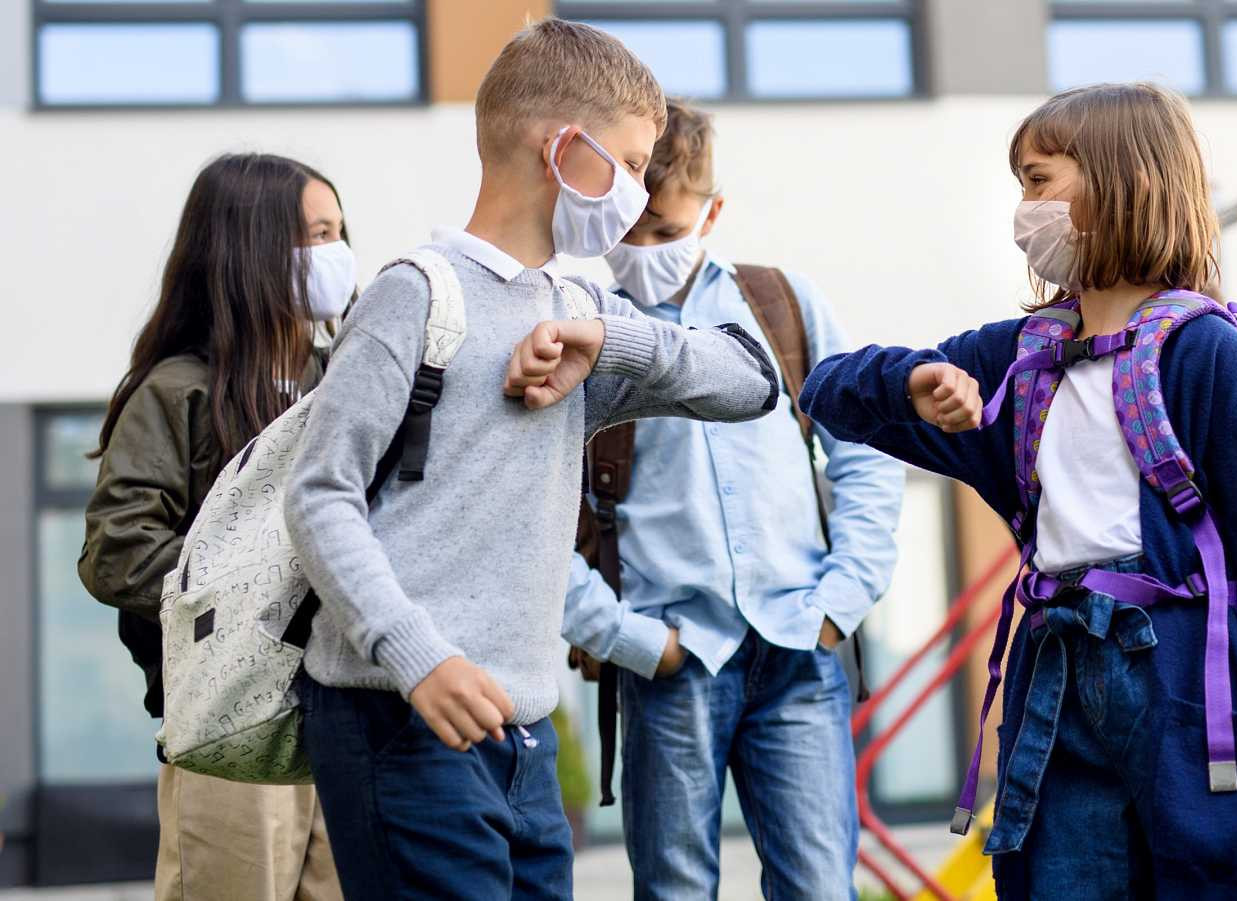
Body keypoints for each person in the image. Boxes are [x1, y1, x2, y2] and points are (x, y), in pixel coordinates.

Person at [797, 83, 1237, 899]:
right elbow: (827, 390)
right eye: (1019, 184)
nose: (1024, 208)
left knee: (1223, 879)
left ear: (1128, 182)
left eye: (1040, 180)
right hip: (1055, 686)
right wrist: (914, 380)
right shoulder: (1013, 360)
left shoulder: (1209, 356)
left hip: (1191, 684)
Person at [281, 20, 778, 901]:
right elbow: (320, 494)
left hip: (526, 732)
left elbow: (751, 379)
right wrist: (417, 655)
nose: (634, 190)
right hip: (398, 714)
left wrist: (610, 336)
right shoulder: (414, 293)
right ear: (561, 148)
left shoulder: (583, 309)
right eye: (625, 162)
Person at [563, 98, 904, 900]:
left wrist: (840, 598)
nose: (645, 252)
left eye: (668, 232)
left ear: (713, 213)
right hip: (671, 656)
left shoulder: (780, 303)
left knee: (820, 886)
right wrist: (628, 638)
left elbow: (865, 449)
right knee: (676, 888)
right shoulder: (582, 325)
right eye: (630, 233)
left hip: (798, 645)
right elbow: (533, 514)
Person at [80, 152, 352, 900]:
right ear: (251, 251)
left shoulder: (349, 379)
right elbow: (118, 552)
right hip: (232, 728)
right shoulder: (178, 392)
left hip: (345, 720)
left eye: (338, 232)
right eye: (314, 236)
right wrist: (260, 599)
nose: (335, 254)